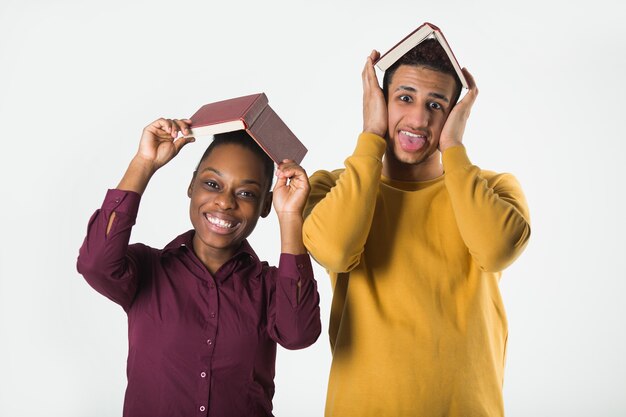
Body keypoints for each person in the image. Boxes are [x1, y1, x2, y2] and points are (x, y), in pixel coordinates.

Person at [302, 39, 531, 416]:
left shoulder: (496, 188)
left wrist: (453, 145)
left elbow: (495, 250)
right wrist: (371, 134)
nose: (420, 119)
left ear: (455, 113)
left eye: (436, 105)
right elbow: (335, 250)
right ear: (379, 98)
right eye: (404, 98)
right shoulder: (332, 187)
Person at [77, 118, 321, 417]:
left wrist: (291, 215)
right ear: (192, 185)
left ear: (265, 205)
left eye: (246, 193)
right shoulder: (146, 269)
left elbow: (298, 335)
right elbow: (95, 263)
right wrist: (143, 163)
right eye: (212, 184)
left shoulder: (271, 285)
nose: (224, 202)